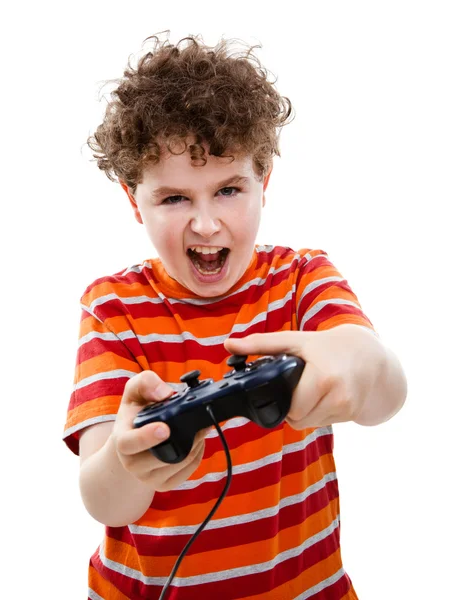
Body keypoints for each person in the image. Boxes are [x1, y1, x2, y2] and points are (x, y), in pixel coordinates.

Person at [63, 33, 407, 600]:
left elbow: (386, 399)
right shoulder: (113, 307)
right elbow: (104, 501)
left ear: (264, 182)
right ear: (133, 199)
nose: (204, 224)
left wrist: (362, 358)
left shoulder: (301, 280)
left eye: (228, 190)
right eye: (174, 199)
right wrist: (127, 462)